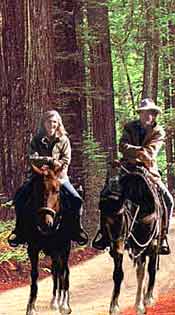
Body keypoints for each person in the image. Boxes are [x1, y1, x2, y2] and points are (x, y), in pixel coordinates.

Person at [92, 98, 174, 254]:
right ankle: (103, 233)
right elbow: (123, 146)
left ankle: (162, 236)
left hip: (148, 171)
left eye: (149, 113)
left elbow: (151, 152)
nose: (146, 116)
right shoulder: (129, 127)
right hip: (126, 167)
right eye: (143, 113)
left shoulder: (159, 132)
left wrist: (135, 152)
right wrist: (140, 152)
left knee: (168, 200)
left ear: (154, 115)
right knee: (107, 193)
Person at [8, 110, 88, 247]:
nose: (51, 124)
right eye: (49, 122)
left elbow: (66, 160)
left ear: (58, 124)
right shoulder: (36, 139)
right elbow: (32, 158)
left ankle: (76, 229)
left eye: (54, 122)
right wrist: (50, 160)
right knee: (20, 197)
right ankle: (19, 231)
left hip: (59, 178)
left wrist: (56, 165)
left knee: (76, 200)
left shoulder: (64, 140)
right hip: (38, 176)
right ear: (43, 123)